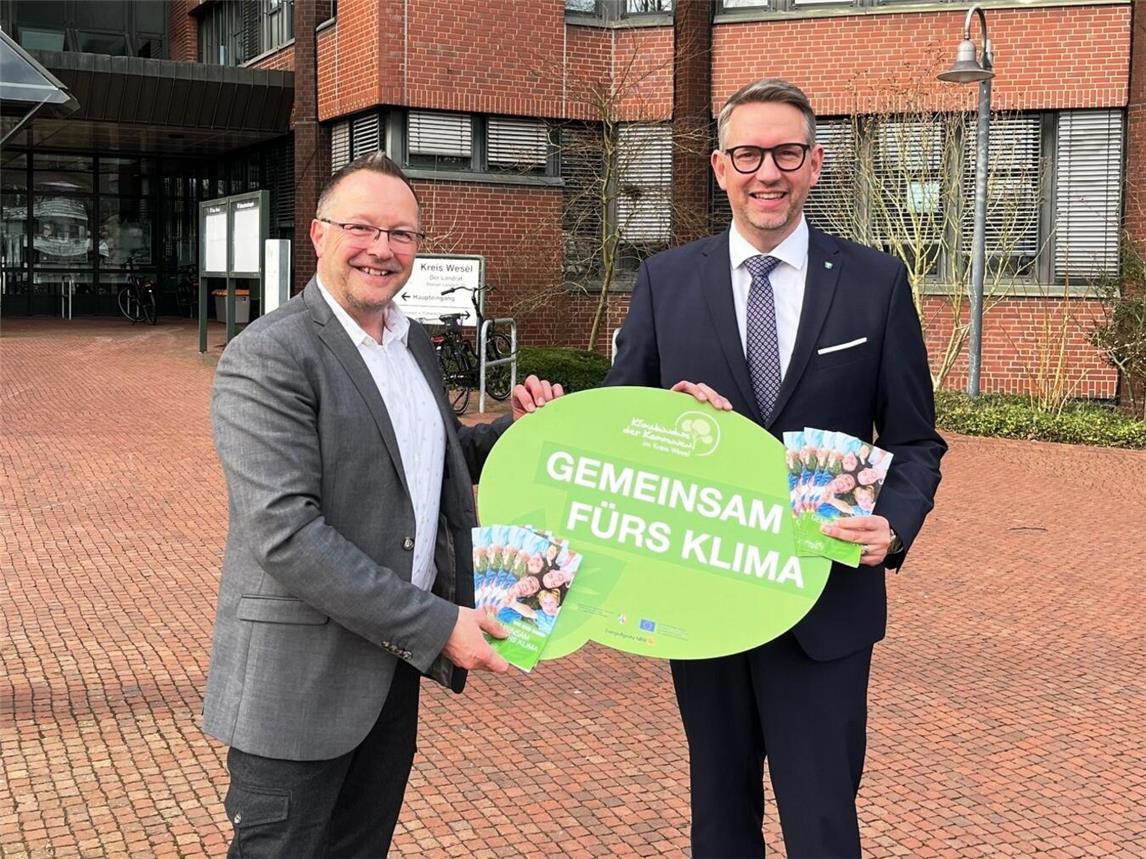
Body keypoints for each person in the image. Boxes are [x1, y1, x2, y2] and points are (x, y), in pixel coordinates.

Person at [605, 78, 946, 858]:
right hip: (707, 599)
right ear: (720, 168)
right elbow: (620, 430)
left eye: (786, 152)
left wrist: (893, 523)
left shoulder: (875, 283)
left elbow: (916, 440)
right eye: (749, 154)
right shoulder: (665, 281)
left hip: (825, 605)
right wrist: (666, 419)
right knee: (719, 820)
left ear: (816, 163)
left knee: (823, 822)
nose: (769, 172)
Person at [202, 151, 563, 857]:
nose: (382, 248)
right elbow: (286, 534)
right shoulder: (268, 356)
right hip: (297, 685)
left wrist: (521, 434)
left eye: (402, 233)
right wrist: (438, 623)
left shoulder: (411, 343)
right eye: (362, 227)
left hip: (388, 675)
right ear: (318, 234)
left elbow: (434, 461)